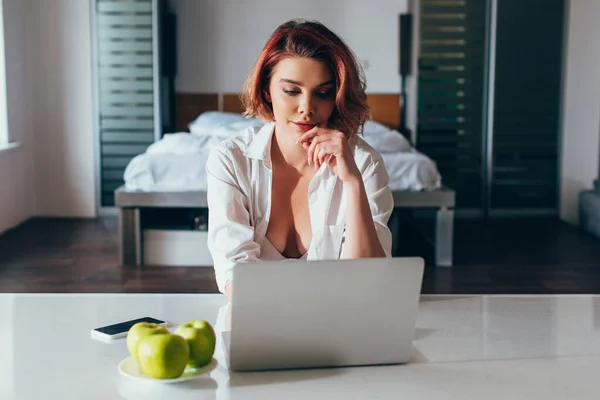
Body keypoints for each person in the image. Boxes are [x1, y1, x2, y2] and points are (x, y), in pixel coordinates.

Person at [206, 19, 394, 300]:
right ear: (267, 90)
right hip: (258, 323)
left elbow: (367, 284)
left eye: (323, 93)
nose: (307, 108)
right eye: (292, 91)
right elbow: (234, 273)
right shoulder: (232, 160)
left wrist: (352, 183)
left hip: (340, 328)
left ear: (338, 96)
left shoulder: (364, 164)